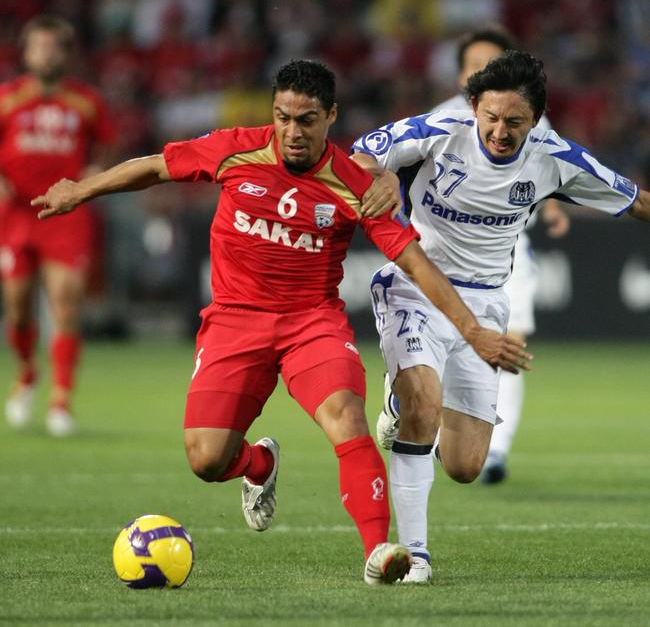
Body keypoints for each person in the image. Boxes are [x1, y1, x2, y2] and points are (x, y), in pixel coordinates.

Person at [32, 59, 529, 585]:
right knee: (205, 460)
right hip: (233, 322)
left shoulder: (355, 184)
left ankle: (380, 551)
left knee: (347, 416)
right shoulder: (235, 147)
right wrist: (80, 190)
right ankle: (258, 467)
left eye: (307, 119)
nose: (292, 131)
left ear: (331, 116)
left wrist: (471, 329)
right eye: (283, 117)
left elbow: (415, 262)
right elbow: (156, 167)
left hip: (311, 324)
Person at [352, 50, 650, 582]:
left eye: (514, 122)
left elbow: (635, 201)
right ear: (473, 108)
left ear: (535, 120)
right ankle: (415, 555)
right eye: (490, 118)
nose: (499, 131)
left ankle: (404, 401)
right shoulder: (441, 130)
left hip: (486, 303)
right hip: (416, 286)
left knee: (465, 466)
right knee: (423, 406)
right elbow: (360, 152)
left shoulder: (555, 158)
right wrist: (378, 176)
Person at [375, 26, 571, 485]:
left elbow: (552, 165)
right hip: (439, 255)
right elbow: (394, 165)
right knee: (437, 351)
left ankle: (493, 449)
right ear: (465, 78)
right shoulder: (445, 120)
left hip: (505, 254)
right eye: (476, 67)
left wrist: (556, 208)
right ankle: (407, 394)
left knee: (509, 343)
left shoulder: (529, 116)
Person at [0, 15, 117, 436]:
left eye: (54, 47)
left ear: (65, 54)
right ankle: (28, 372)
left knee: (66, 303)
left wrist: (93, 170)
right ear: (27, 53)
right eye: (39, 47)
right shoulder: (7, 99)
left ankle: (61, 399)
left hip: (67, 215)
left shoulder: (86, 101)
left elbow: (105, 141)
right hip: (15, 214)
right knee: (16, 308)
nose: (46, 54)